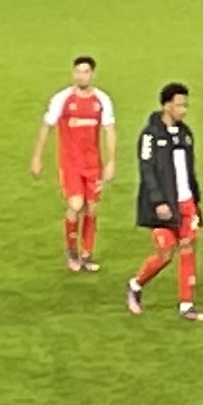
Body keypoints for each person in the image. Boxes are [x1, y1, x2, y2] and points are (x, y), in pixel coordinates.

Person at [126, 84, 203, 322]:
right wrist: (158, 201)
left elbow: (189, 171)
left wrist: (196, 201)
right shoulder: (150, 135)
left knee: (188, 248)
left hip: (186, 202)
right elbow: (147, 170)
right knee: (165, 253)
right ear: (166, 105)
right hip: (163, 204)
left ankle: (187, 305)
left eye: (185, 105)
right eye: (179, 105)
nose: (184, 110)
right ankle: (136, 284)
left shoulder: (185, 134)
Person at [31, 57, 117, 273]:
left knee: (92, 208)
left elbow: (109, 131)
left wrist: (111, 161)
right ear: (73, 74)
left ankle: (87, 255)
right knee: (76, 205)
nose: (81, 76)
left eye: (85, 72)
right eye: (78, 72)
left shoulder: (102, 100)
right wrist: (37, 157)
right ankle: (71, 251)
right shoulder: (62, 99)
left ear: (92, 74)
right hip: (70, 163)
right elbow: (46, 126)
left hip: (93, 164)